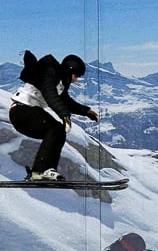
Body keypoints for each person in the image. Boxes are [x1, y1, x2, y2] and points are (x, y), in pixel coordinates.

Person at [9, 50, 99, 180]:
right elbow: (50, 94)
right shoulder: (50, 73)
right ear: (69, 71)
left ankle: (42, 171)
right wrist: (64, 116)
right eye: (75, 75)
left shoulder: (60, 82)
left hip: (27, 112)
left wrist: (86, 111)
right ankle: (40, 172)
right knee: (55, 129)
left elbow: (66, 102)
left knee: (58, 132)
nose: (76, 80)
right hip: (22, 111)